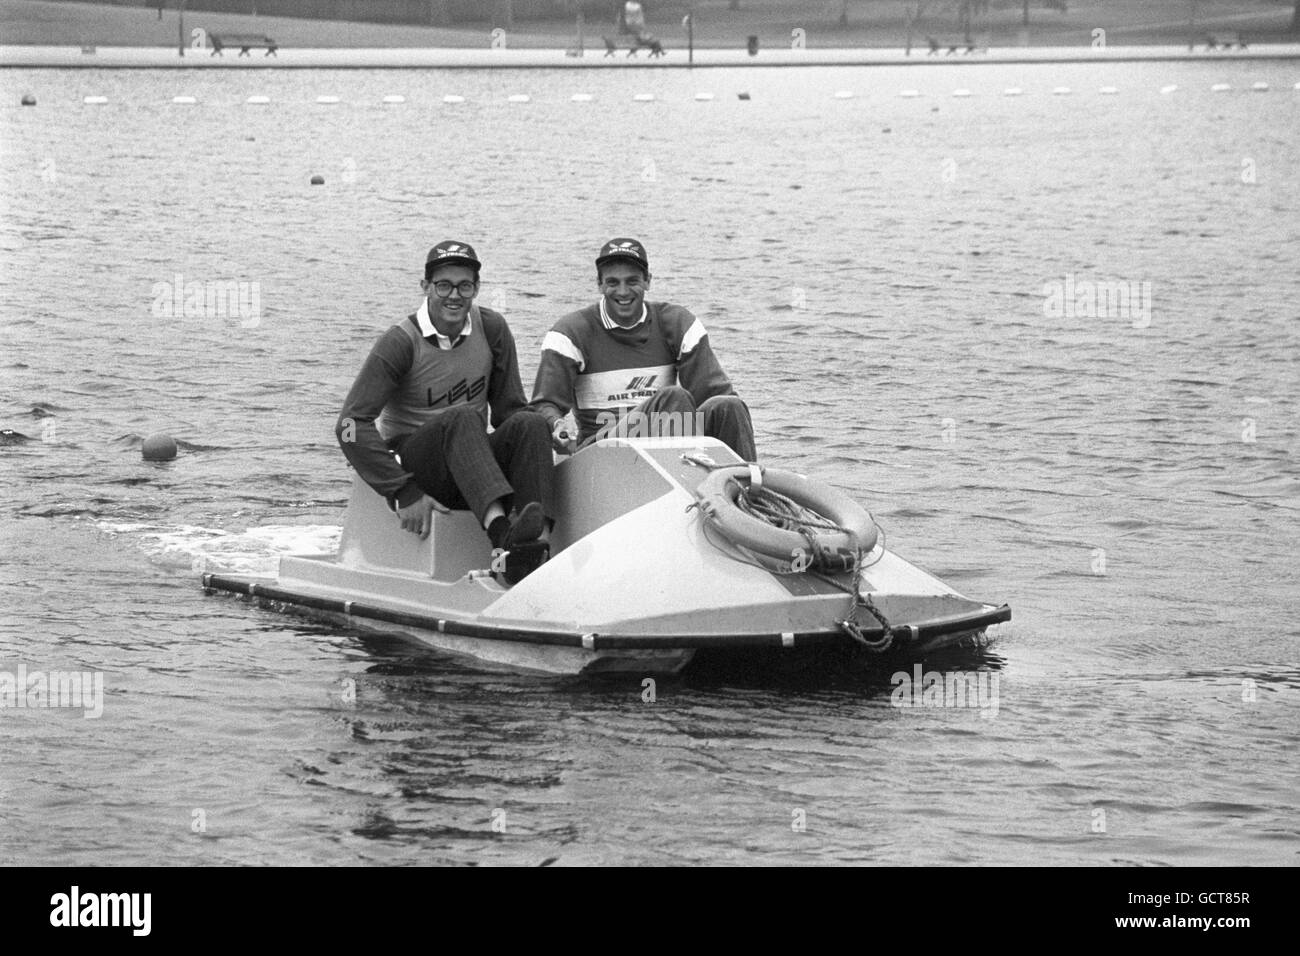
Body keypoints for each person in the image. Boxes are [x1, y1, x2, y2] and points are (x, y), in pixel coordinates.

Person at [336, 240, 552, 584]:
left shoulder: (492, 329)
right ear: (425, 287)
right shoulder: (400, 342)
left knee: (531, 423)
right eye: (444, 285)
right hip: (421, 464)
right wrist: (401, 491)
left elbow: (510, 410)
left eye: (465, 286)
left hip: (471, 460)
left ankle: (537, 545)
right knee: (462, 416)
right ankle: (501, 537)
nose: (455, 295)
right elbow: (349, 425)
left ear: (476, 289)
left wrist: (550, 436)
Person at [530, 238, 757, 460]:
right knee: (673, 397)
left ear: (647, 281)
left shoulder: (676, 323)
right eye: (612, 282)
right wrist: (557, 425)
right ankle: (682, 484)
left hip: (670, 432)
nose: (623, 292)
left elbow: (714, 395)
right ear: (599, 285)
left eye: (632, 281)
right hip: (603, 453)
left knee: (729, 406)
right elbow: (544, 404)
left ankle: (746, 489)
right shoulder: (570, 333)